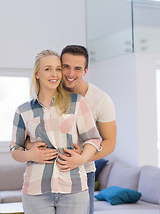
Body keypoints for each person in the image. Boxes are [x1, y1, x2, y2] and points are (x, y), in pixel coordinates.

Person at [10, 50, 102, 214]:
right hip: (35, 190)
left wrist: (81, 159)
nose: (54, 74)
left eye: (58, 69)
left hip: (73, 189)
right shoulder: (23, 111)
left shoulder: (77, 103)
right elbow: (15, 148)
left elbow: (94, 139)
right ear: (37, 74)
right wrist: (30, 155)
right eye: (48, 69)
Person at [57, 45, 117, 214]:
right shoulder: (48, 93)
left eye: (77, 68)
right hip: (51, 173)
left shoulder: (100, 100)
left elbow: (110, 142)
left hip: (84, 173)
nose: (70, 74)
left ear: (85, 70)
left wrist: (82, 159)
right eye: (66, 67)